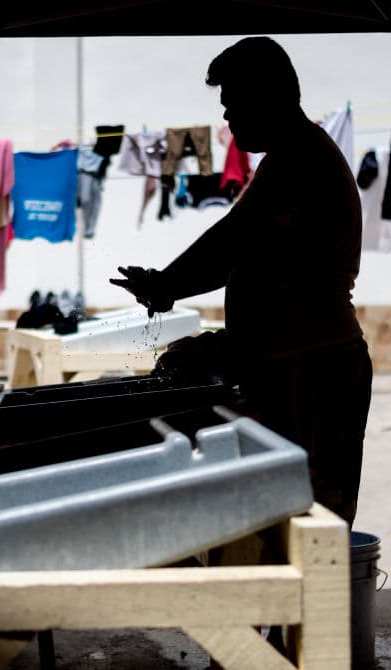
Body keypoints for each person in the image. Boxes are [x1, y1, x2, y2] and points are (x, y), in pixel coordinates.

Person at [110, 36, 372, 527]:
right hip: (291, 365)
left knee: (310, 528)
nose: (228, 118)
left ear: (269, 96)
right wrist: (174, 294)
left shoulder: (301, 158)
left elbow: (232, 239)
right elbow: (238, 259)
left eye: (234, 104)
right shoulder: (285, 158)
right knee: (281, 524)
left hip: (314, 369)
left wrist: (166, 286)